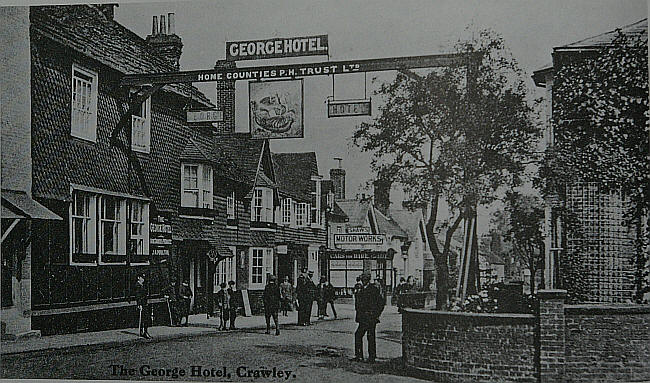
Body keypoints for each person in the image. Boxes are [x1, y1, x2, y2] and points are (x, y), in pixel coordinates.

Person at [352, 273, 385, 363]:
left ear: (367, 280)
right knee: (362, 335)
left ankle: (370, 357)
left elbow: (381, 303)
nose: (363, 281)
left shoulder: (373, 289)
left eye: (364, 280)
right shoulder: (361, 289)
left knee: (368, 336)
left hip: (370, 318)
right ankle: (361, 356)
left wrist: (376, 314)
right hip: (364, 318)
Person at [134, 273, 152, 339]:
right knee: (145, 318)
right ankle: (145, 332)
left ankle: (142, 332)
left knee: (144, 318)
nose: (143, 279)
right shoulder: (137, 285)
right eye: (142, 278)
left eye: (143, 278)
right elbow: (138, 296)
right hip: (142, 304)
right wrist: (139, 304)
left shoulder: (142, 285)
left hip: (144, 303)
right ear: (138, 278)